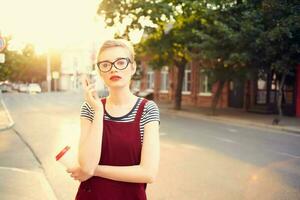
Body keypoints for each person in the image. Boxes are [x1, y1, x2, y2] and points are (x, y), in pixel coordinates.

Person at [67, 39, 160, 200]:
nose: (113, 69)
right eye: (105, 64)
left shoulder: (147, 109)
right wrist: (98, 111)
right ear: (100, 71)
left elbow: (148, 173)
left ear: (133, 67)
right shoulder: (90, 108)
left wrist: (96, 171)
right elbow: (87, 166)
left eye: (121, 62)